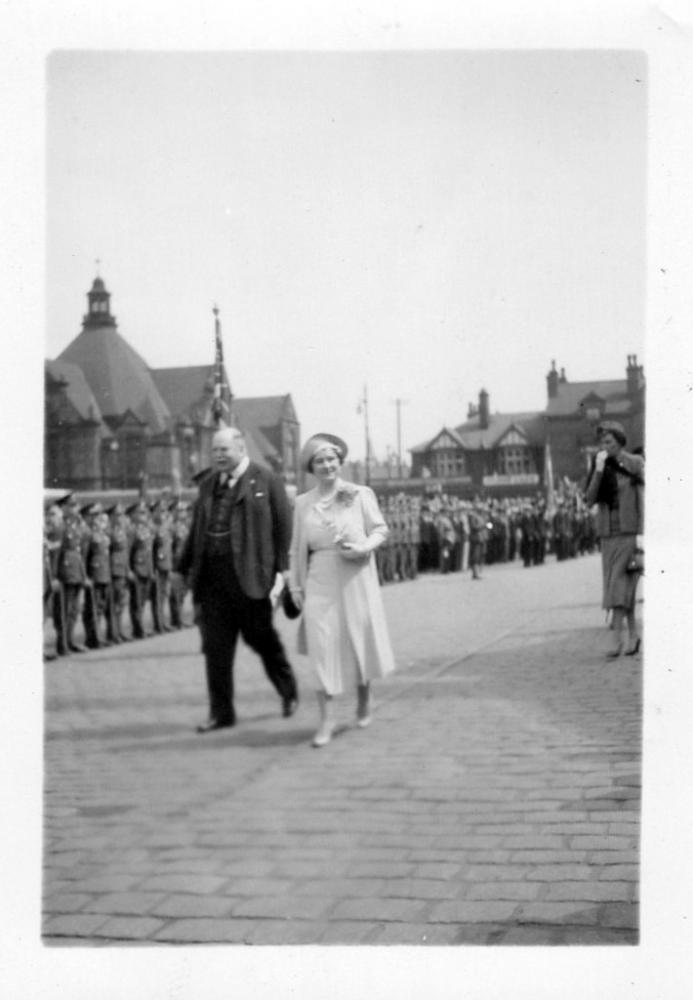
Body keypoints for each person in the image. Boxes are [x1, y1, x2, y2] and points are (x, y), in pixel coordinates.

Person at [176, 426, 299, 732]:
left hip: (251, 578)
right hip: (213, 581)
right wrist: (181, 567)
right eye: (214, 450)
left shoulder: (266, 480)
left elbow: (284, 529)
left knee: (261, 639)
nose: (218, 456)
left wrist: (285, 570)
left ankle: (288, 690)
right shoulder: (207, 486)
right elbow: (196, 531)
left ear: (241, 449)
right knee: (216, 649)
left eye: (224, 450)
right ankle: (221, 712)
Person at [288, 433, 395, 747]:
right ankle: (327, 719)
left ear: (340, 462)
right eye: (319, 461)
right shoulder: (302, 504)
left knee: (357, 637)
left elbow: (380, 529)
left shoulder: (360, 494)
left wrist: (364, 545)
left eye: (331, 459)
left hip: (355, 574)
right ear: (311, 467)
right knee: (322, 646)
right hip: (320, 578)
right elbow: (296, 549)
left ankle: (364, 697)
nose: (326, 466)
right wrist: (295, 584)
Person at [584, 421, 644, 657]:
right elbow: (589, 499)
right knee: (620, 589)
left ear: (619, 442)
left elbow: (642, 499)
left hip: (629, 534)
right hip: (608, 535)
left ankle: (616, 640)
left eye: (609, 442)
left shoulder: (635, 463)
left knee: (618, 588)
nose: (604, 446)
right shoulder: (600, 465)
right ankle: (634, 636)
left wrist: (641, 534)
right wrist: (598, 471)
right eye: (602, 442)